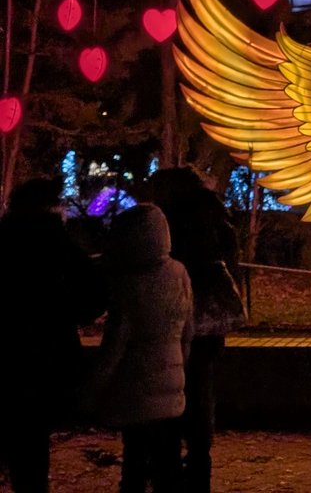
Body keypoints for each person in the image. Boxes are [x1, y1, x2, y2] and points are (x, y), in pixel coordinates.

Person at [141, 168, 245, 493]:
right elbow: (232, 265)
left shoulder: (170, 222)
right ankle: (199, 465)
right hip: (208, 323)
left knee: (170, 392)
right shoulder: (217, 219)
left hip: (173, 318)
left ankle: (168, 469)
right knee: (200, 390)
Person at [0, 177, 106, 493]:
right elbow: (94, 298)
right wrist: (65, 314)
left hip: (4, 352)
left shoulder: (4, 241)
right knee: (31, 442)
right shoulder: (61, 247)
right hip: (46, 356)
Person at [81, 202, 192, 493]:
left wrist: (93, 389)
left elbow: (116, 344)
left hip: (136, 387)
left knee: (135, 463)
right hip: (173, 385)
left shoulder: (129, 284)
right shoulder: (179, 273)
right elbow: (188, 330)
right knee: (168, 465)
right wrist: (182, 366)